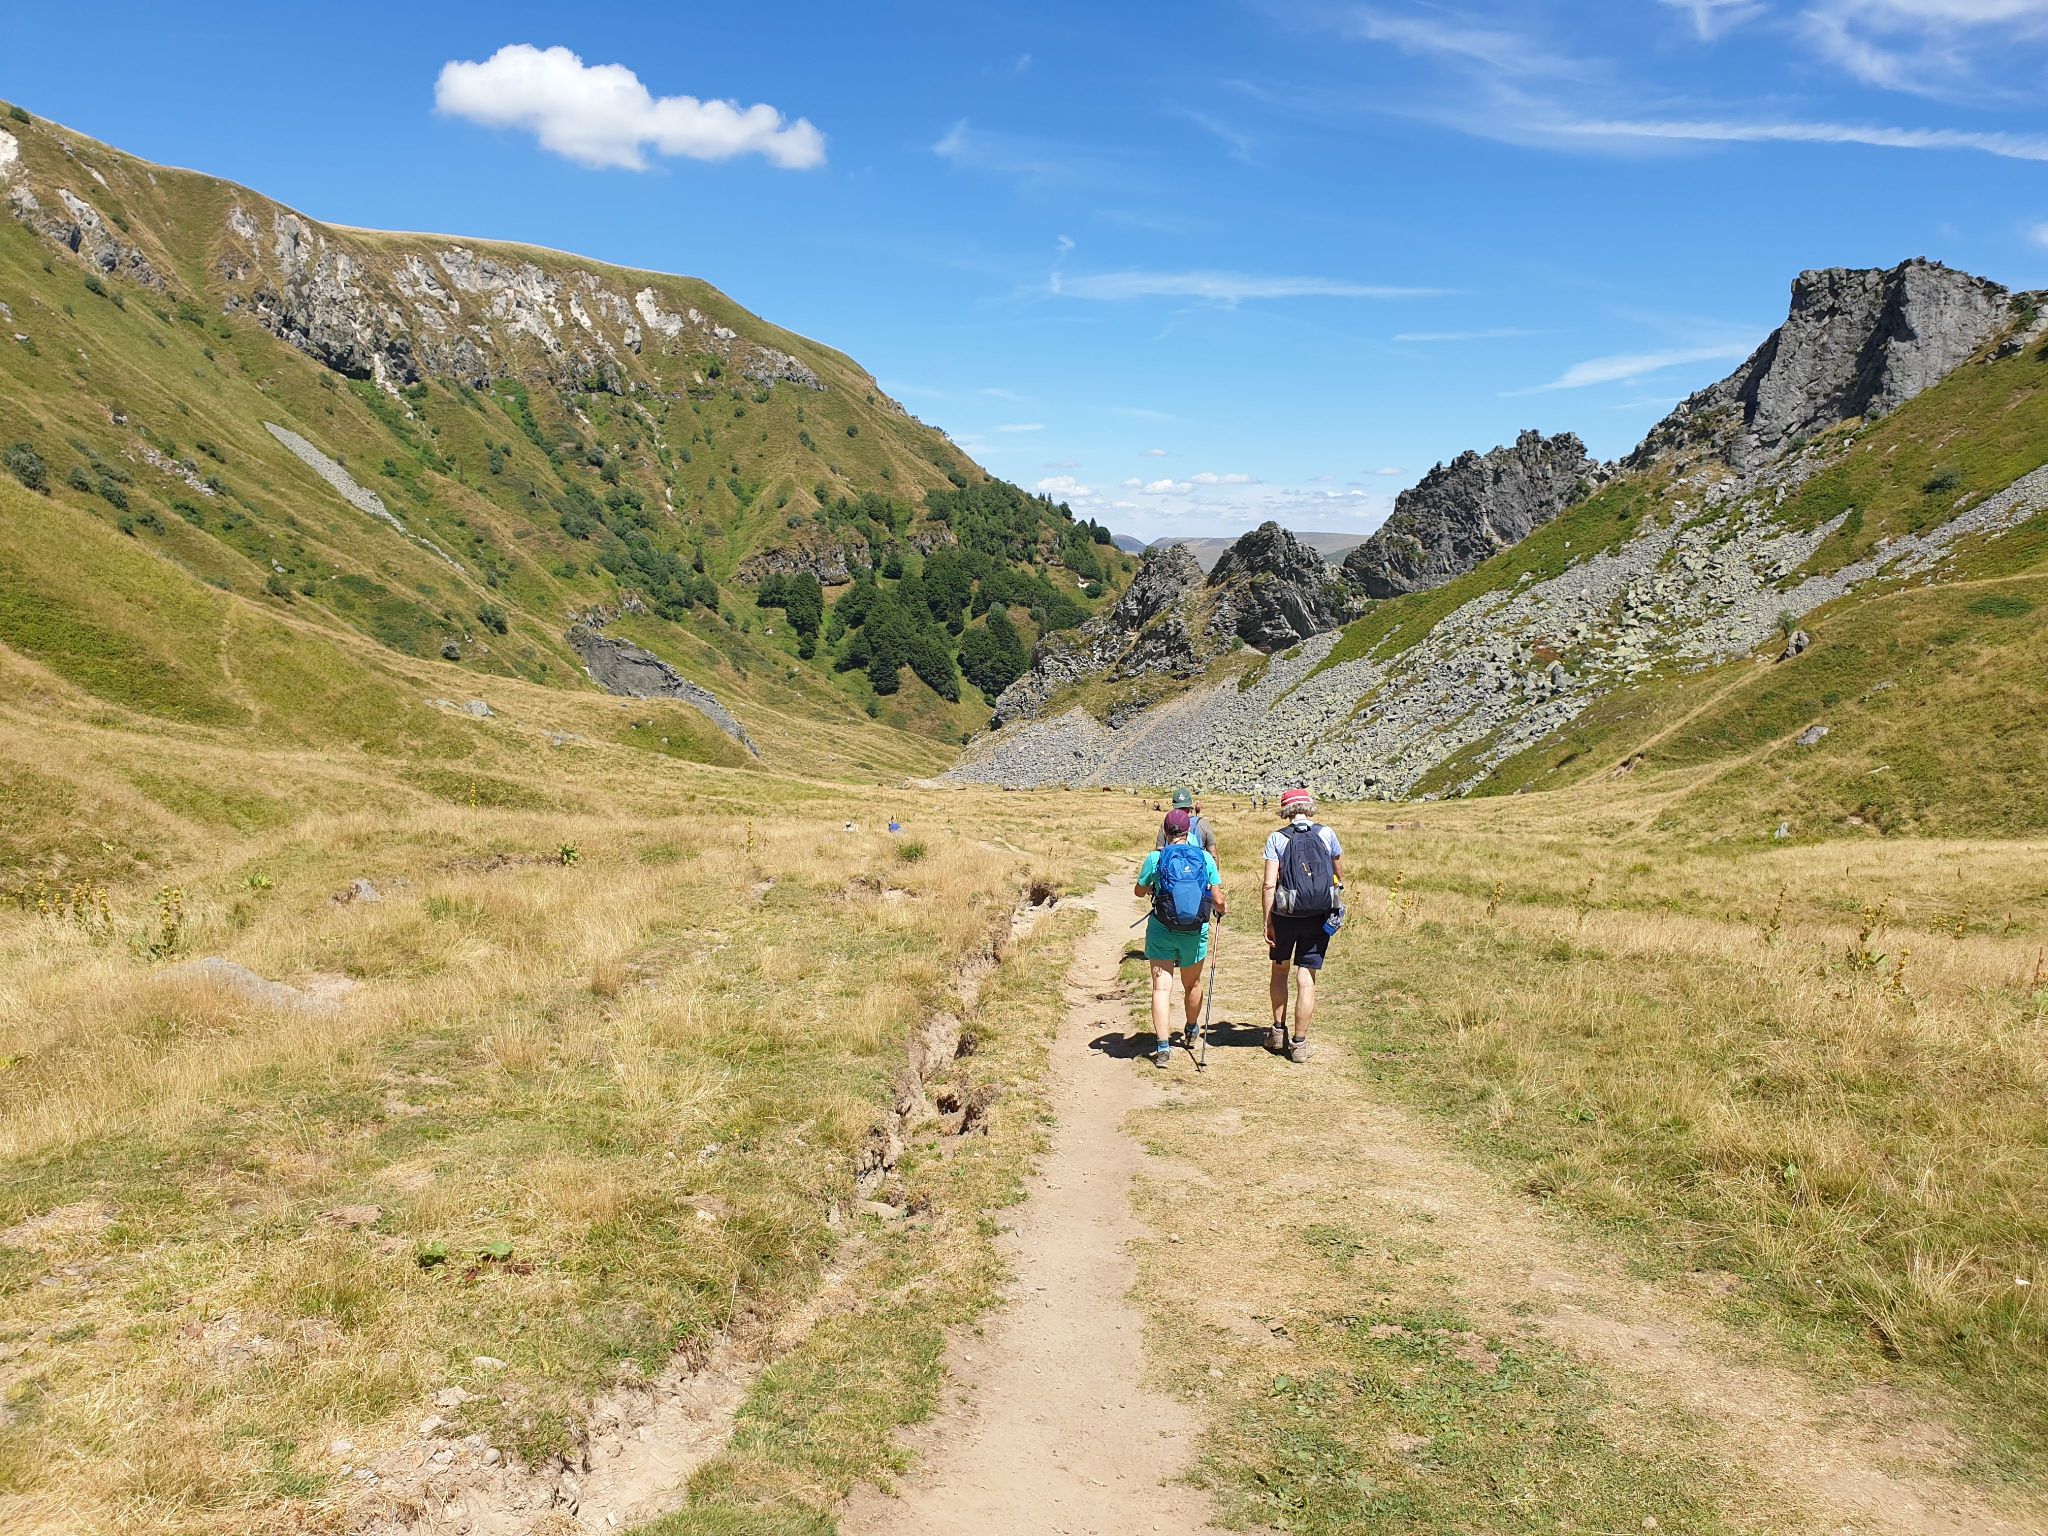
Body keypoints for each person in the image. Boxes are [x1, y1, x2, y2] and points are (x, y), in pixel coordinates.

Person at [1134, 808, 1226, 1069]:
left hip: (1162, 930)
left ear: (1165, 831)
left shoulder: (1155, 858)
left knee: (1161, 988)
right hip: (1194, 932)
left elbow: (1139, 892)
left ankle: (1163, 1048)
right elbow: (1218, 899)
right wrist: (1221, 909)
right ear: (1188, 830)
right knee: (1193, 983)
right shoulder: (1205, 858)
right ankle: (1191, 1028)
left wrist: (1152, 887)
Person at [1262, 787, 1343, 1065]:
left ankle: (1277, 1033)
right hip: (1319, 914)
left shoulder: (1277, 838)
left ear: (1286, 810)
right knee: (1306, 976)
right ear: (1309, 807)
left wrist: (1268, 921)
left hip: (1285, 914)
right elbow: (1338, 872)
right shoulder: (1326, 833)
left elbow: (1269, 884)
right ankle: (1299, 1044)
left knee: (1280, 970)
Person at [1154, 787, 1217, 855]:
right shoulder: (1203, 824)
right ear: (1190, 804)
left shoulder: (1167, 824)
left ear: (1174, 805)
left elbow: (1159, 851)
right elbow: (1213, 855)